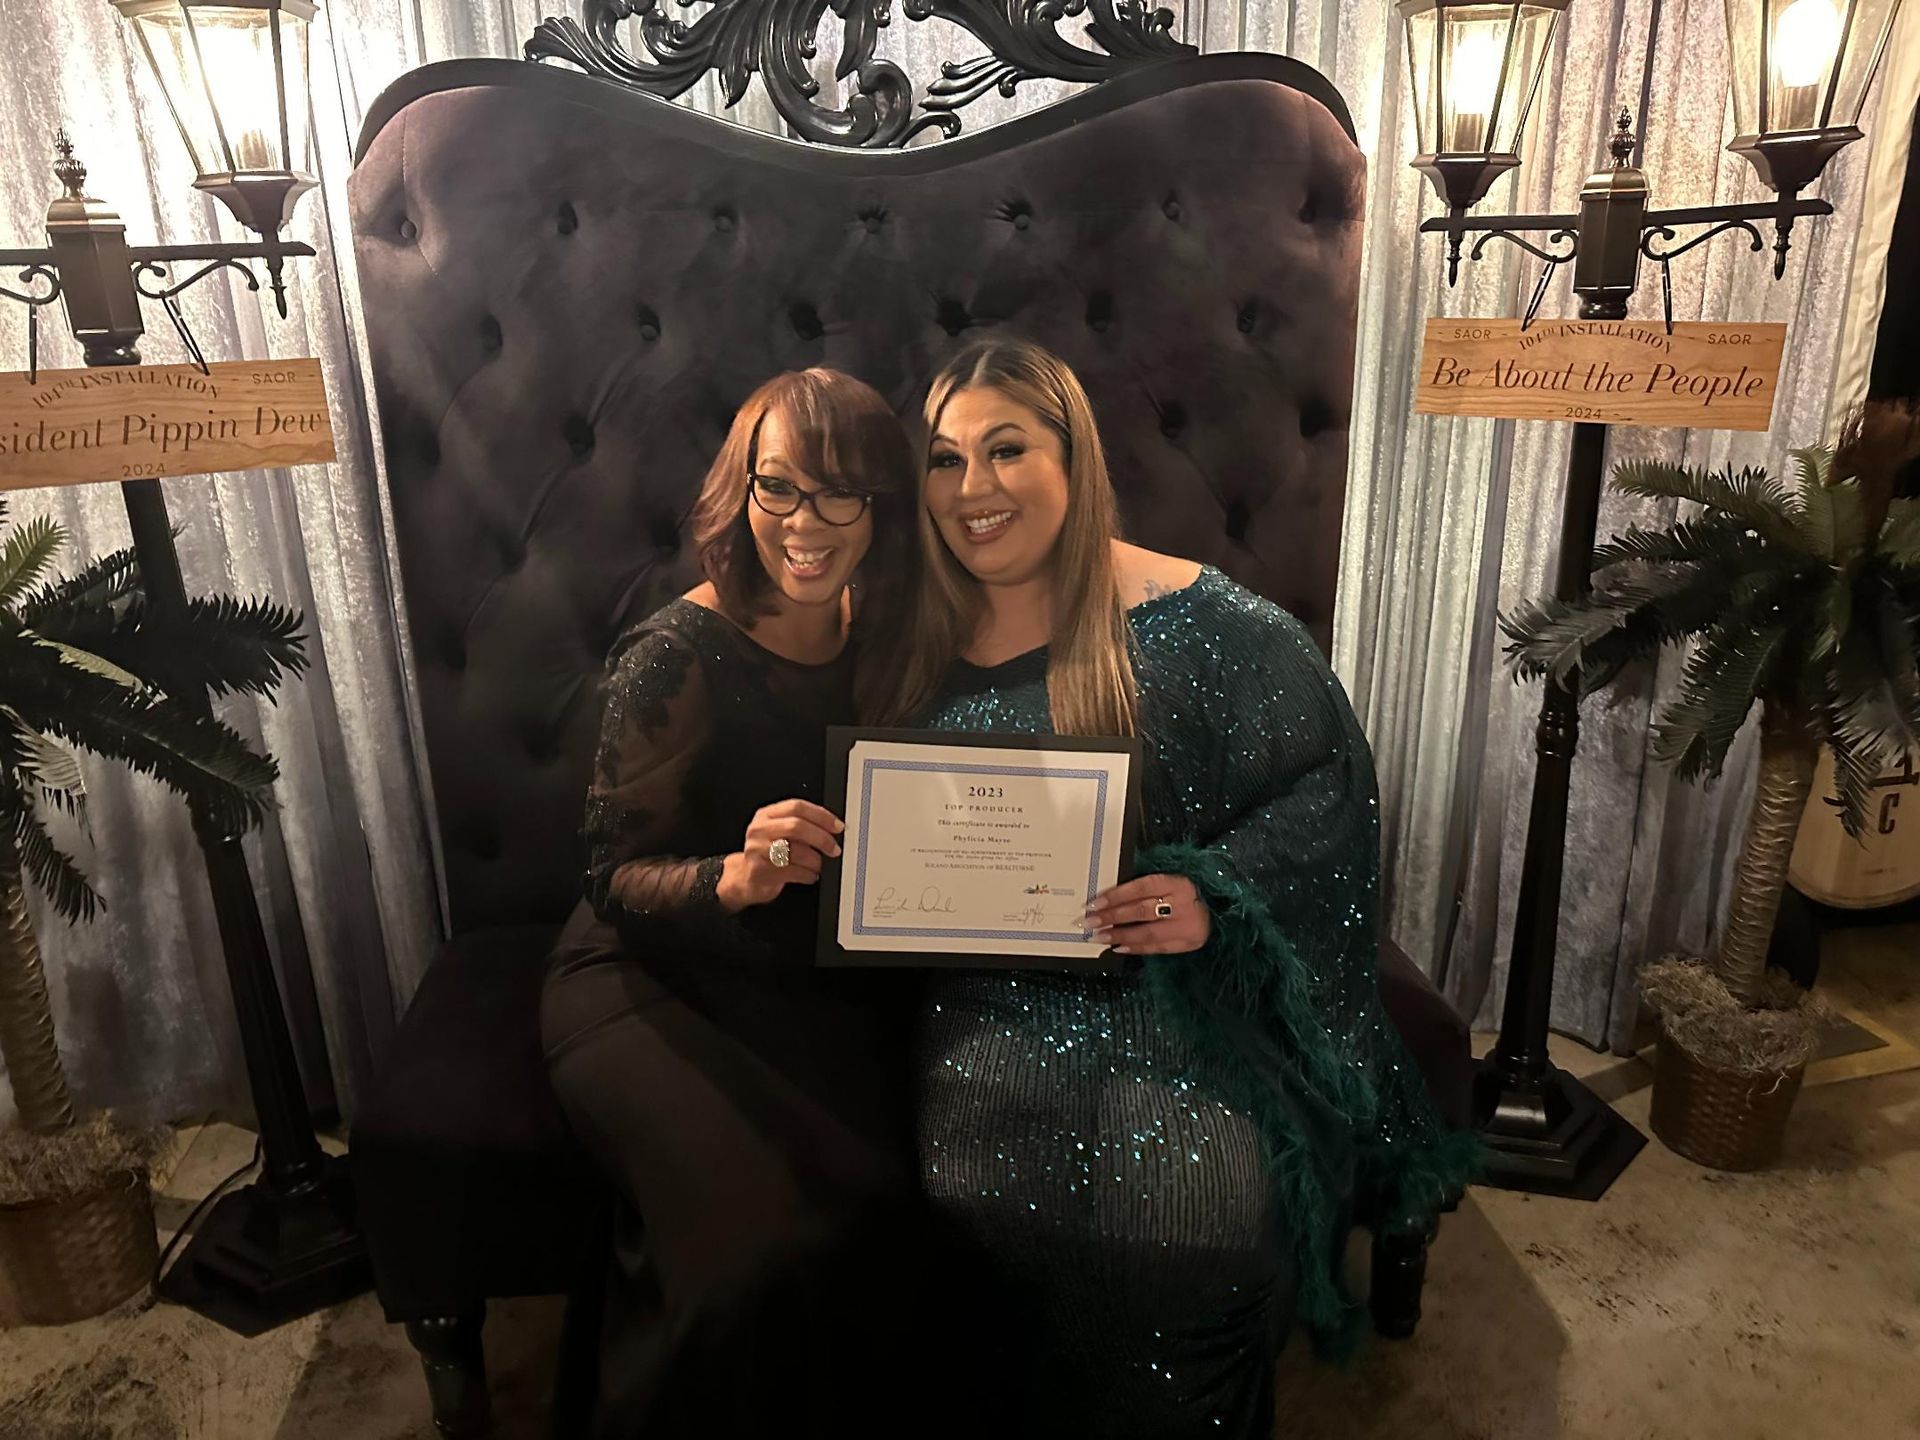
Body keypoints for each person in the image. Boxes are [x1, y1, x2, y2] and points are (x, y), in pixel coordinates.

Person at [886, 337, 1478, 1439]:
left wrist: (1218, 894)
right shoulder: (903, 632)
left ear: (1075, 458)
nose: (974, 488)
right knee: (981, 1196)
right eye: (943, 459)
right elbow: (745, 610)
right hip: (992, 997)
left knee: (1200, 1212)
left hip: (1183, 1002)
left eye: (1005, 448)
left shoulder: (1205, 621)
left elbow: (1331, 790)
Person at [540, 369, 933, 1438]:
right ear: (741, 494)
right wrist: (733, 874)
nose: (806, 525)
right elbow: (609, 879)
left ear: (882, 506)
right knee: (754, 1257)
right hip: (643, 972)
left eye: (839, 494)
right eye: (779, 491)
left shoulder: (886, 625)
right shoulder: (677, 648)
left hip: (798, 972)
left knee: (878, 1208)